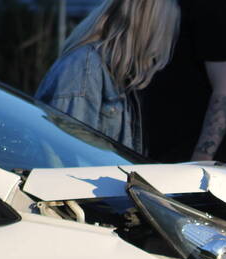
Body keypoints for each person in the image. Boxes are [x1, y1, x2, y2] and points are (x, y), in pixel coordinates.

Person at [35, 0, 180, 154]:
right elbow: (64, 153)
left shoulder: (120, 77)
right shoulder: (85, 66)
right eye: (165, 31)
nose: (164, 44)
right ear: (149, 29)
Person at [140, 0, 226, 162]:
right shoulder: (161, 7)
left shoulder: (212, 10)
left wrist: (202, 157)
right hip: (161, 158)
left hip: (199, 165)